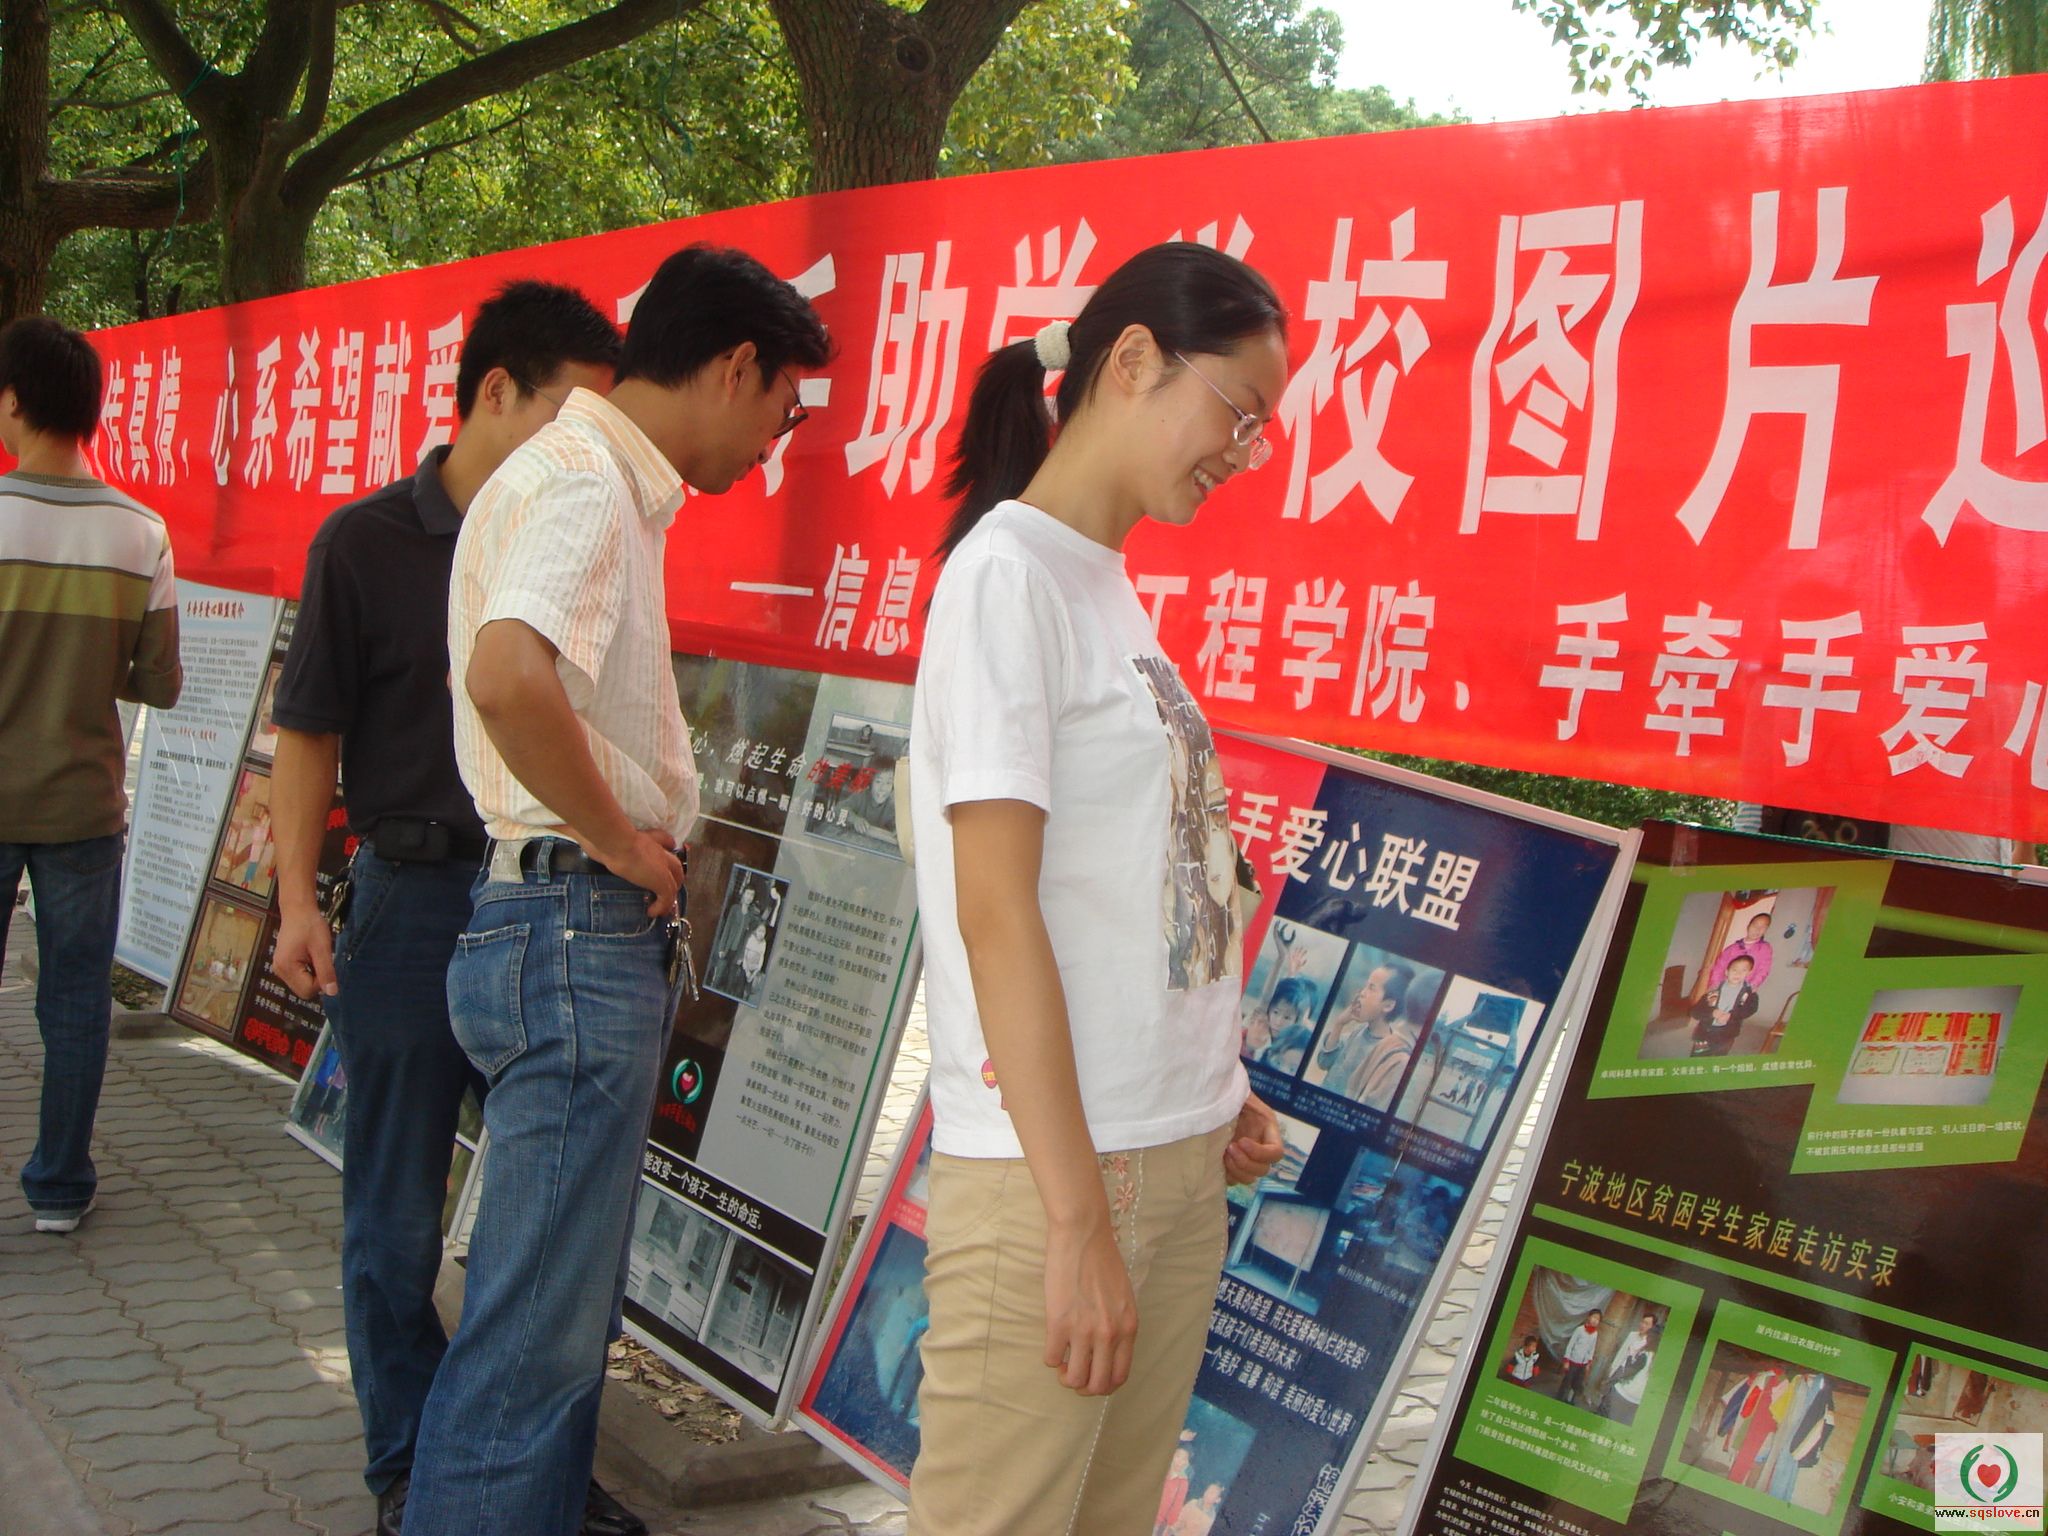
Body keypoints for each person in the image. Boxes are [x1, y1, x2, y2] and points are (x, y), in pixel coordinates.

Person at [403, 244, 829, 1536]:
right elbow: (507, 675)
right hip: (572, 927)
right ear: (735, 366)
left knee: (545, 1325)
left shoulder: (581, 476)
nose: (774, 444)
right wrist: (620, 843)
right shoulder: (589, 479)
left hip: (543, 924)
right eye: (783, 412)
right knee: (531, 1346)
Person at [904, 242, 1290, 1536]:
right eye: (1237, 411)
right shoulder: (1006, 581)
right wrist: (1074, 1223)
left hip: (1170, 1152)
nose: (1245, 452)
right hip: (1058, 1176)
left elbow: (1134, 885)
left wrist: (1216, 1084)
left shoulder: (1104, 590)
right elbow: (995, 908)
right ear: (1132, 360)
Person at [266, 281, 634, 1536]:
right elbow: (306, 734)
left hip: (554, 903)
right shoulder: (364, 544)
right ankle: (407, 1464)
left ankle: (527, 1471)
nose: (590, 446)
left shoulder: (584, 530)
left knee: (555, 1235)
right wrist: (296, 902)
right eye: (571, 414)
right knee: (394, 1218)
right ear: (494, 392)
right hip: (415, 901)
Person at [0, 316, 182, 1235]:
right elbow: (161, 683)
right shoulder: (141, 531)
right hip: (83, 806)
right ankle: (60, 1189)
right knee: (74, 1000)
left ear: (13, 402)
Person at [1314, 962, 1416, 1108]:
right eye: (1366, 986)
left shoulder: (1387, 1053)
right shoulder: (1357, 1032)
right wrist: (1339, 1024)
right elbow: (1324, 1062)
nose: (1362, 992)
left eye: (1371, 988)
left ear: (1388, 1005)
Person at [1689, 952, 1760, 1056]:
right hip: (1706, 1032)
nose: (1738, 974)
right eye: (1734, 970)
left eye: (1743, 970)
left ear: (1749, 973)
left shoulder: (1749, 993)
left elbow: (1751, 1009)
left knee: (1718, 1058)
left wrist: (1731, 1015)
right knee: (1698, 1057)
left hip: (1727, 1034)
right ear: (1726, 972)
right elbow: (1695, 1012)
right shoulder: (1713, 991)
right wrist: (1712, 1013)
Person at [1256, 976, 1318, 1074]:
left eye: (1287, 1018)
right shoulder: (1260, 1028)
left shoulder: (1300, 1043)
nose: (1278, 1022)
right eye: (1276, 1012)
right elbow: (1265, 998)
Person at [1708, 911, 1775, 991]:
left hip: (1744, 990)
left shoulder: (1765, 948)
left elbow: (1764, 969)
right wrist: (1715, 984)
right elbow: (1719, 967)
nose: (1757, 929)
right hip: (1725, 988)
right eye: (1755, 925)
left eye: (1763, 927)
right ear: (1749, 926)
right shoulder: (1732, 948)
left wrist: (1752, 985)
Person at [1557, 1308, 1602, 1405]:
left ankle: (1569, 1401)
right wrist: (1566, 1360)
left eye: (1598, 1319)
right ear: (1589, 1317)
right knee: (1567, 1381)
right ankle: (1559, 1398)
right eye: (1594, 1317)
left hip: (1583, 1364)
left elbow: (1591, 1349)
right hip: (1573, 1361)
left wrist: (1588, 1363)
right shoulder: (1580, 1330)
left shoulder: (1595, 1334)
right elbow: (1571, 1345)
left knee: (1577, 1384)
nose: (1595, 1320)